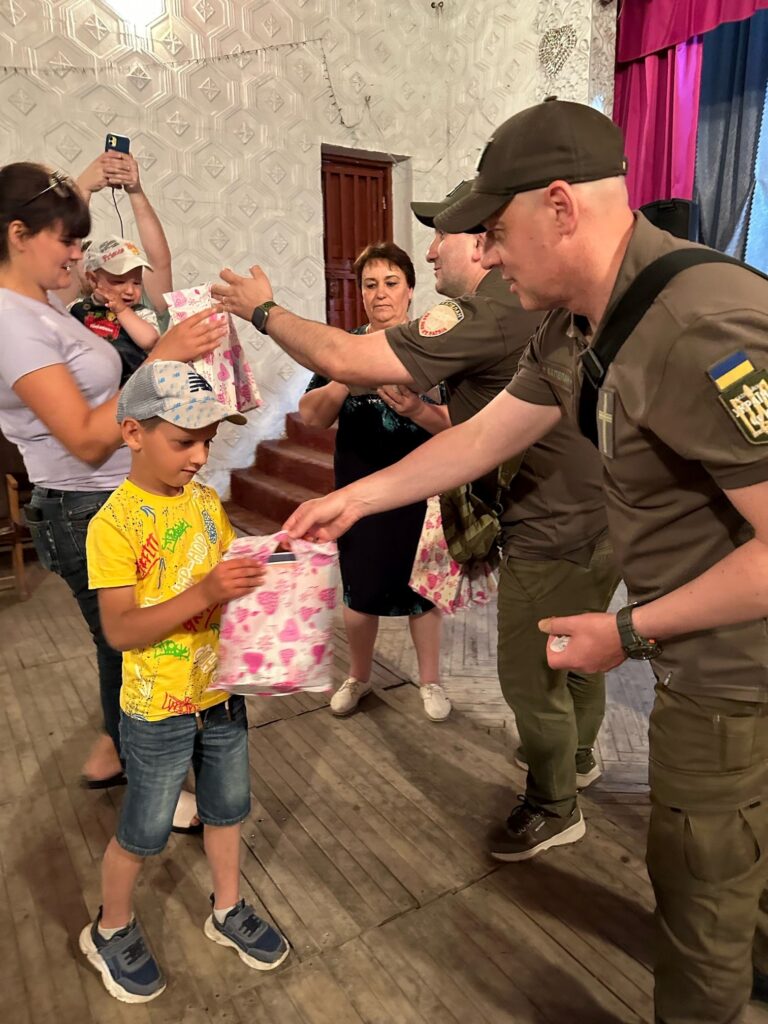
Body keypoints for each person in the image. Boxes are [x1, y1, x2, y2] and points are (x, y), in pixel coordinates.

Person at [279, 100, 768, 1023]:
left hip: (736, 670)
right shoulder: (579, 321)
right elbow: (479, 441)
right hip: (696, 650)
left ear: (559, 206)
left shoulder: (703, 323)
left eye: (497, 233)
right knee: (736, 863)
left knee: (697, 893)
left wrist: (626, 629)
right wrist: (355, 498)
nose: (488, 256)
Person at [215, 185, 617, 856]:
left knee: (532, 673)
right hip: (597, 519)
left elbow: (345, 362)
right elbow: (483, 431)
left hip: (553, 530)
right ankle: (575, 759)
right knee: (579, 658)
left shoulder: (482, 313)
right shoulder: (542, 311)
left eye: (446, 237)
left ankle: (555, 803)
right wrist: (360, 495)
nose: (431, 250)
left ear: (485, 246)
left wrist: (261, 308)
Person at [0, 161, 226, 788]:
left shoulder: (37, 302)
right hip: (81, 504)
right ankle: (154, 786)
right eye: (66, 242)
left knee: (121, 644)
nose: (75, 256)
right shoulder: (11, 321)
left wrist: (93, 182)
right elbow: (83, 437)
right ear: (18, 235)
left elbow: (150, 265)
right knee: (130, 646)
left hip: (100, 500)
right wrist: (161, 358)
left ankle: (116, 753)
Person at [81, 361, 289, 1003]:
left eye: (209, 440)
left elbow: (222, 571)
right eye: (183, 441)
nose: (200, 457)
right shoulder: (113, 525)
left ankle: (227, 909)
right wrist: (205, 591)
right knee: (142, 832)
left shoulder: (202, 502)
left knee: (227, 811)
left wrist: (269, 567)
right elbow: (119, 631)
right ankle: (109, 929)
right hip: (155, 711)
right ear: (132, 433)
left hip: (220, 698)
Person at [298, 242, 448, 722]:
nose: (380, 294)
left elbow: (462, 428)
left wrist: (417, 409)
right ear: (359, 293)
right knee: (358, 592)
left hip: (423, 490)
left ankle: (431, 682)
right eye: (369, 285)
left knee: (422, 592)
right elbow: (310, 415)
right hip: (358, 493)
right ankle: (358, 676)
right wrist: (345, 377)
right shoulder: (343, 348)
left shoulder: (437, 345)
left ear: (409, 289)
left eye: (390, 283)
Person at [67, 151, 174, 329]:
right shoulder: (72, 307)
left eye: (135, 280)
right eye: (116, 280)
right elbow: (68, 252)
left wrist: (135, 191)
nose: (129, 289)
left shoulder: (145, 309)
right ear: (91, 277)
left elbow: (160, 260)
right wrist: (83, 188)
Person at [70, 236, 159, 385]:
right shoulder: (76, 308)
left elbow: (150, 340)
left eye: (137, 283)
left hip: (128, 388)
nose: (130, 290)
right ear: (93, 279)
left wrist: (122, 311)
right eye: (119, 282)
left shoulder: (141, 314)